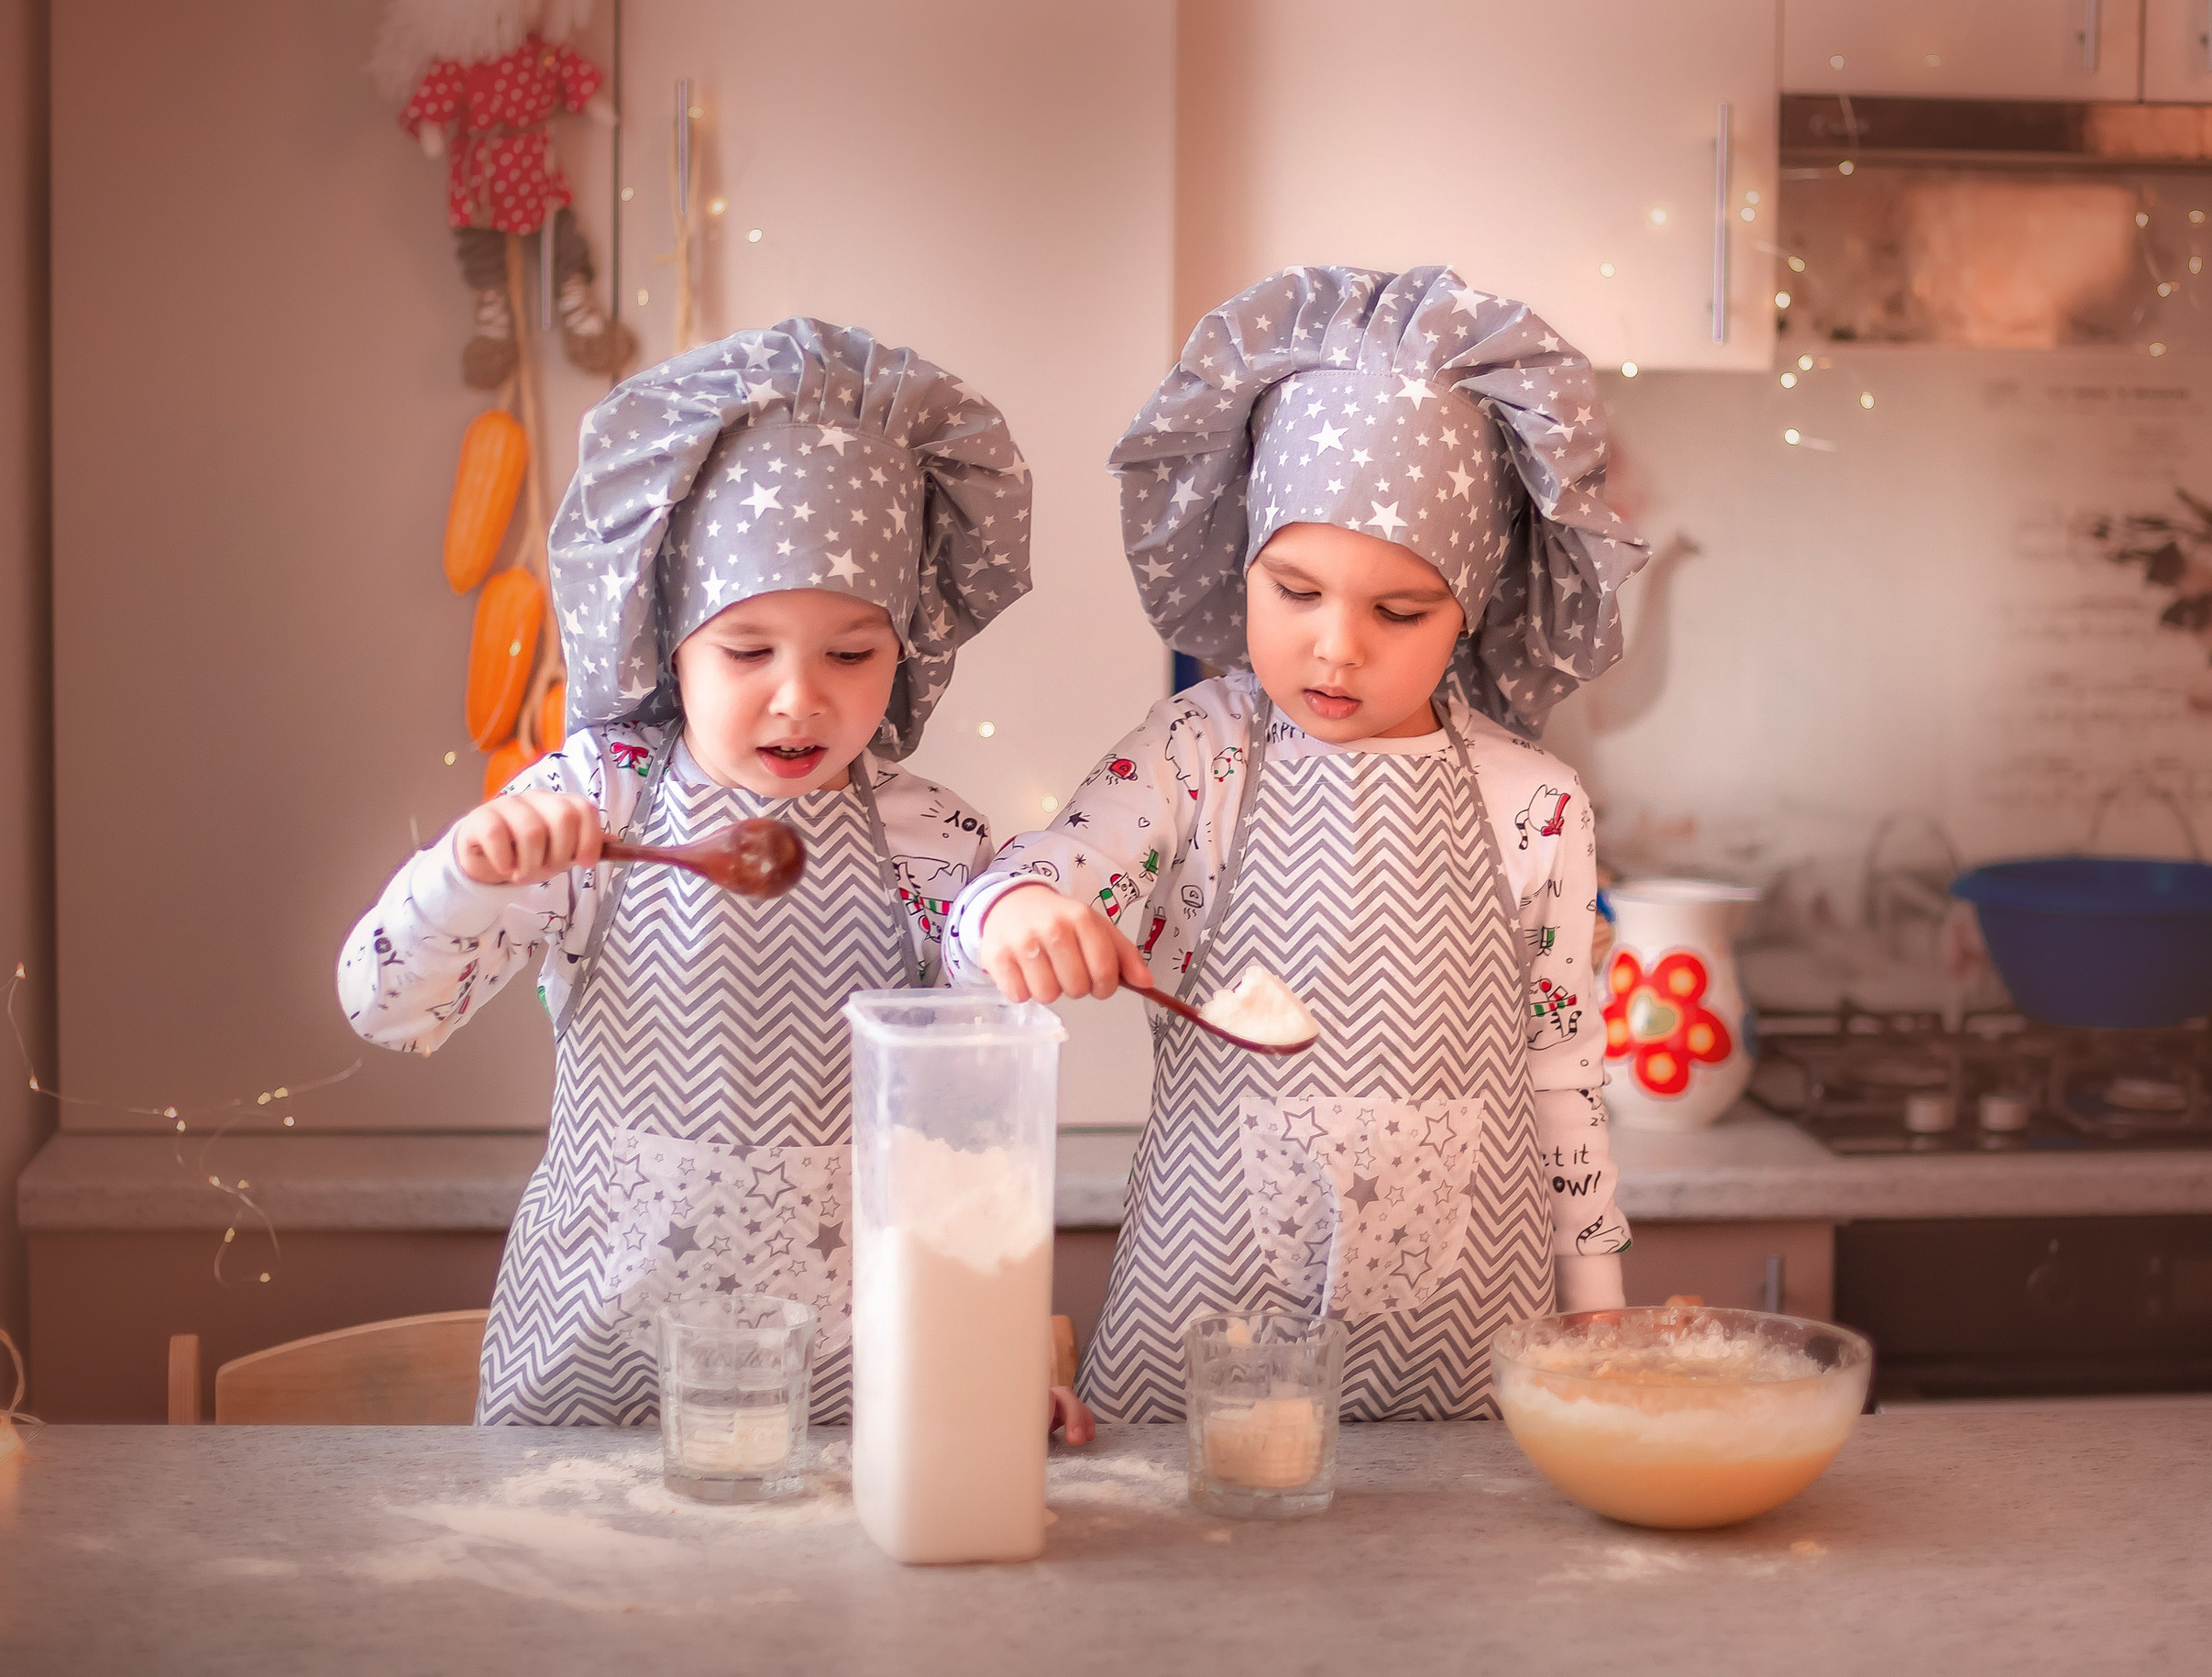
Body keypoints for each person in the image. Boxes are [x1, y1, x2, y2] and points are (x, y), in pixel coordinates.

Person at [340, 318, 1093, 1440]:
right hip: (595, 1388)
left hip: (857, 1401)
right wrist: (470, 873)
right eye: (747, 651)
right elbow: (384, 1005)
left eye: (850, 652)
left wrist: (976, 1369)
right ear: (668, 639)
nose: (800, 698)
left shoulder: (925, 838)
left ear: (907, 649)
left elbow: (973, 1109)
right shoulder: (597, 804)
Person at [944, 266, 1650, 1423]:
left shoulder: (1538, 807)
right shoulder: (1199, 755)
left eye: (1399, 611)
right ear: (1245, 565)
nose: (1336, 647)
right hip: (1195, 1387)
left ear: (1470, 604)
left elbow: (1561, 1074)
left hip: (1470, 1398)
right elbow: (1027, 882)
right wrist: (1021, 911)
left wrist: (1597, 1309)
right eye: (1296, 588)